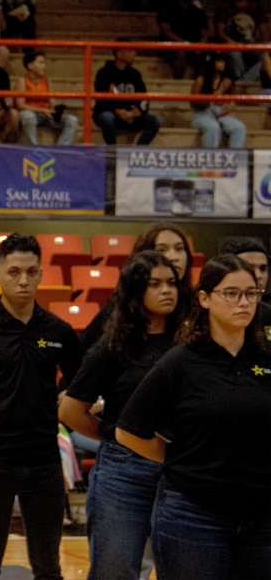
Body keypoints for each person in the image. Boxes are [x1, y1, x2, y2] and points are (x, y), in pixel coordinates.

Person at [116, 255, 271, 580]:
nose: (244, 302)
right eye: (231, 293)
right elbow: (128, 431)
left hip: (261, 516)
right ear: (204, 298)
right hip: (192, 515)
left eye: (251, 293)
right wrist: (179, 460)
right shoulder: (181, 362)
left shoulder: (266, 359)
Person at [59, 251, 188, 580]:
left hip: (181, 470)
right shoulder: (113, 345)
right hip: (123, 473)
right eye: (155, 284)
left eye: (172, 283)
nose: (166, 290)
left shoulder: (191, 344)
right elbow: (71, 410)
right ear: (135, 291)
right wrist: (115, 434)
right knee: (116, 573)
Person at [0, 233, 81, 580]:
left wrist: (66, 397)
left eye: (31, 272)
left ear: (42, 274)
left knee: (48, 567)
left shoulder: (58, 329)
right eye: (14, 271)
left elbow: (80, 382)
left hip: (43, 461)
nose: (23, 280)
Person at [81, 223, 193, 351]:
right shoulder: (119, 307)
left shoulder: (196, 303)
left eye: (179, 249)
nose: (174, 257)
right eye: (162, 250)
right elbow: (81, 351)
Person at [93, 41, 162, 146]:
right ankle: (113, 151)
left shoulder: (135, 74)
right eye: (130, 50)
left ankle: (137, 151)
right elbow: (102, 100)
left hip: (131, 116)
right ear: (119, 53)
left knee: (156, 120)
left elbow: (144, 98)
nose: (134, 53)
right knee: (107, 117)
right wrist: (117, 111)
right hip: (112, 115)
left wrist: (139, 111)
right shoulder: (104, 73)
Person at [16, 50, 79, 146]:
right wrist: (41, 110)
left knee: (72, 120)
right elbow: (20, 105)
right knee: (28, 116)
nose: (44, 66)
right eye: (40, 63)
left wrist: (57, 112)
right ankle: (32, 149)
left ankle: (61, 150)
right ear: (30, 66)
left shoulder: (46, 81)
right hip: (32, 113)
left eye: (44, 63)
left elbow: (52, 102)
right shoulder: (22, 81)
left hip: (46, 115)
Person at [214, 0, 269, 82]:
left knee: (267, 55)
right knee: (235, 53)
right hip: (231, 44)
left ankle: (244, 81)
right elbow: (220, 32)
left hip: (252, 45)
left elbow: (265, 33)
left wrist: (259, 45)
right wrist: (232, 42)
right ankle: (242, 82)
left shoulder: (256, 7)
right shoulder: (224, 7)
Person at [156, 0, 210, 79]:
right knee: (180, 52)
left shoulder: (199, 12)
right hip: (171, 45)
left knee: (206, 54)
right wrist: (184, 43)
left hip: (193, 46)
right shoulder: (167, 8)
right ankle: (181, 83)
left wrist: (200, 45)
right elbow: (166, 31)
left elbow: (204, 33)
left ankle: (190, 81)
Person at [190, 52, 247, 149]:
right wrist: (216, 94)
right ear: (212, 62)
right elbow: (193, 102)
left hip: (221, 114)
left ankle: (234, 159)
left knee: (239, 128)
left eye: (224, 61)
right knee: (213, 127)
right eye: (219, 61)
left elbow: (232, 100)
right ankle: (210, 160)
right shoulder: (201, 79)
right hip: (202, 114)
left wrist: (230, 105)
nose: (222, 64)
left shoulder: (227, 81)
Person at [218, 236, 270, 338]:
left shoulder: (269, 314)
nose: (259, 275)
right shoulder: (211, 315)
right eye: (249, 267)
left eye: (263, 268)